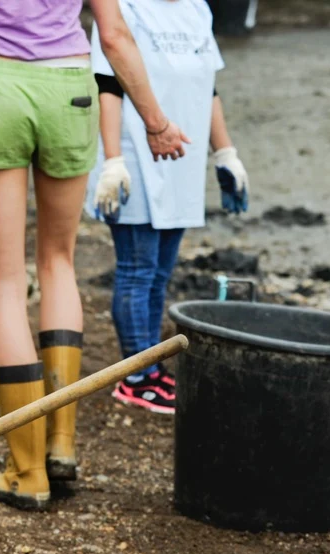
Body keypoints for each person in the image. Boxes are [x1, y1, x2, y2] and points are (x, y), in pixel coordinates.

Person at [0, 0, 188, 511]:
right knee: (59, 263)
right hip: (69, 88)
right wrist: (155, 120)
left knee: (7, 286)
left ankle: (27, 471)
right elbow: (114, 35)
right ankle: (61, 445)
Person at [87, 0, 248, 415]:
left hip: (182, 156)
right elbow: (107, 85)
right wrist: (112, 161)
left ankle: (151, 366)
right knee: (137, 270)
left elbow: (208, 88)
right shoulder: (123, 8)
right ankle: (135, 377)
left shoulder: (198, 9)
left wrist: (225, 152)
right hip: (133, 155)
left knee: (160, 272)